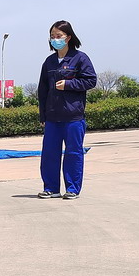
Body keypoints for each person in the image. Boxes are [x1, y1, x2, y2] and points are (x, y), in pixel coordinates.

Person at [37, 20, 97, 200]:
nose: (55, 39)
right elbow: (42, 90)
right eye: (52, 36)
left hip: (73, 117)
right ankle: (51, 188)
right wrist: (43, 115)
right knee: (49, 154)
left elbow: (90, 80)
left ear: (68, 37)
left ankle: (72, 188)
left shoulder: (80, 58)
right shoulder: (49, 62)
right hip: (52, 117)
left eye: (59, 36)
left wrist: (69, 84)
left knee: (73, 153)